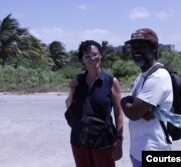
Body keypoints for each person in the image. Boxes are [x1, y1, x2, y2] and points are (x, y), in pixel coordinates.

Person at [65, 40, 123, 167]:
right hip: (79, 141)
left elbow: (119, 114)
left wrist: (119, 142)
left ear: (101, 55)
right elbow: (69, 107)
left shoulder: (111, 81)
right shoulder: (78, 81)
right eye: (87, 56)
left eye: (95, 54)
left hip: (103, 143)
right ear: (82, 60)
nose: (92, 58)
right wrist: (72, 89)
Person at [120, 28, 173, 167]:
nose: (136, 50)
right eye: (133, 46)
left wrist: (123, 101)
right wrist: (137, 108)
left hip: (153, 149)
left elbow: (133, 113)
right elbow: (136, 109)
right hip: (139, 149)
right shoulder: (144, 74)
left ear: (154, 48)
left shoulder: (157, 77)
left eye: (141, 46)